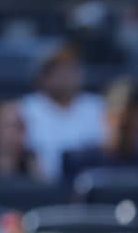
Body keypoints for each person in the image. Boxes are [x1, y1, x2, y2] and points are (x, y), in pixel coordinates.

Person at [20, 42, 105, 181]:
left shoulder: (98, 107)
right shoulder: (25, 108)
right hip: (42, 187)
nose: (66, 75)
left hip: (91, 186)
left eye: (71, 68)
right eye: (58, 69)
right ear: (42, 75)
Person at [61, 76, 138, 181]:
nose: (127, 127)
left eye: (135, 121)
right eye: (121, 120)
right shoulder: (77, 163)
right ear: (105, 116)